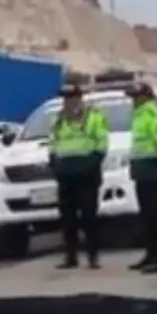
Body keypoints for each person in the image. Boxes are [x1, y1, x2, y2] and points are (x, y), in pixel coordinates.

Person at [48, 84, 109, 269]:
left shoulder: (94, 118)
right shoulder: (58, 120)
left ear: (80, 99)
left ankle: (93, 256)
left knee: (89, 217)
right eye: (66, 99)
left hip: (87, 174)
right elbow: (53, 144)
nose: (68, 102)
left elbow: (102, 144)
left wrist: (91, 164)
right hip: (66, 175)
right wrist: (55, 166)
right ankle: (71, 257)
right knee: (67, 219)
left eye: (72, 98)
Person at [127, 82, 157, 274]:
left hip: (152, 171)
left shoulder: (153, 115)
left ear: (145, 97)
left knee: (155, 218)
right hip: (142, 171)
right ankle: (150, 255)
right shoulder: (139, 115)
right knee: (146, 217)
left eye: (136, 97)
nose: (133, 101)